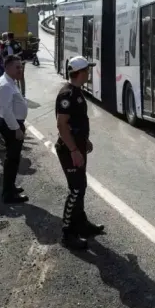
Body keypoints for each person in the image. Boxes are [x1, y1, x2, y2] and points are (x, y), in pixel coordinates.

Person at [55, 56, 104, 250]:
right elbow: (62, 125)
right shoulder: (67, 94)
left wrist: (84, 141)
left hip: (78, 146)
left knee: (81, 187)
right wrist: (74, 150)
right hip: (69, 150)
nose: (89, 73)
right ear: (81, 73)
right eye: (87, 70)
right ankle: (68, 233)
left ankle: (82, 224)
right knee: (75, 190)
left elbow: (77, 123)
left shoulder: (76, 92)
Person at [0, 55, 28, 203]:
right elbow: (7, 111)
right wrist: (17, 129)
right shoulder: (5, 85)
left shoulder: (10, 81)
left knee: (14, 159)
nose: (20, 69)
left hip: (13, 124)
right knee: (12, 160)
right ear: (7, 67)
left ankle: (11, 186)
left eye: (21, 66)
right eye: (17, 67)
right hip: (11, 125)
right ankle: (8, 194)